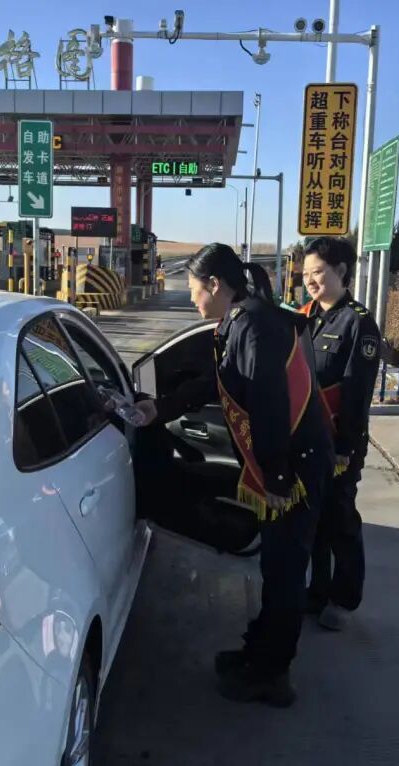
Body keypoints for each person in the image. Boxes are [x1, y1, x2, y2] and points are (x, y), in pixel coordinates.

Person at [133, 243, 333, 706]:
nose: (191, 298)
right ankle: (258, 652)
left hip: (296, 469)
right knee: (274, 567)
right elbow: (216, 382)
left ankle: (272, 676)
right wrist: (160, 408)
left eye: (193, 289)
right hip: (288, 464)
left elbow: (269, 405)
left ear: (215, 284)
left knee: (285, 572)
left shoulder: (256, 326)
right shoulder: (241, 321)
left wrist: (276, 480)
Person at [298, 237, 381, 631]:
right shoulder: (307, 317)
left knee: (340, 519)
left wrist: (345, 446)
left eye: (317, 272)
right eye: (305, 274)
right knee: (314, 520)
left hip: (339, 442)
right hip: (309, 440)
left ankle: (345, 599)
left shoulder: (359, 323)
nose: (310, 281)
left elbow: (356, 393)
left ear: (341, 271)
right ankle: (317, 591)